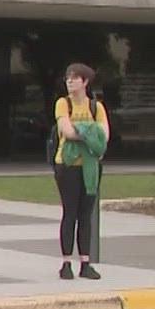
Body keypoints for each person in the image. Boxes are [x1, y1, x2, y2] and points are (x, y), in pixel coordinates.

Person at [51, 62, 109, 280]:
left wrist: (83, 131)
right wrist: (89, 132)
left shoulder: (97, 108)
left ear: (85, 82)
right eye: (68, 78)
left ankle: (86, 263)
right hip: (67, 166)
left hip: (91, 167)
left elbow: (104, 137)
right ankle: (66, 262)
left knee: (86, 215)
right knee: (70, 213)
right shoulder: (62, 104)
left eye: (75, 78)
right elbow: (67, 131)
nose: (70, 81)